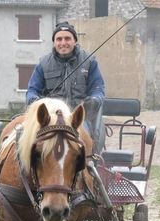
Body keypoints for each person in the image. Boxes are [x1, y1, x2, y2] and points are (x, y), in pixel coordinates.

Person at [26, 22, 106, 153]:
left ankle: (88, 169)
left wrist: (93, 101)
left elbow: (98, 90)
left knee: (85, 144)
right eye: (59, 39)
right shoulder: (43, 64)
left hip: (78, 118)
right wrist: (35, 102)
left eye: (67, 38)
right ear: (54, 42)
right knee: (27, 141)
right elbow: (32, 91)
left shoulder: (90, 62)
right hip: (50, 119)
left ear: (75, 40)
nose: (63, 43)